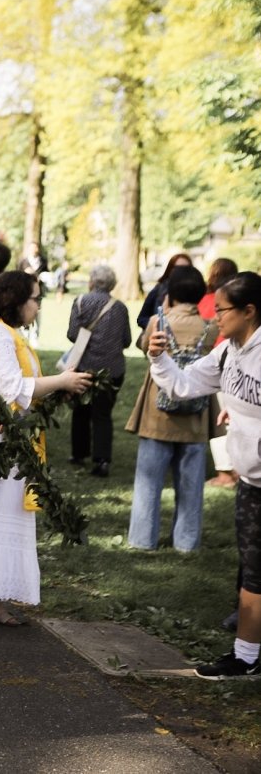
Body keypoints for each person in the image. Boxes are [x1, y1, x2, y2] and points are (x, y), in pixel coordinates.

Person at [147, 272, 261, 679]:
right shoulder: (229, 351)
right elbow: (183, 385)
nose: (215, 316)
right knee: (252, 569)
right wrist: (158, 357)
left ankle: (246, 656)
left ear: (249, 311)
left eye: (223, 310)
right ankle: (248, 654)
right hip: (251, 482)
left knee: (255, 572)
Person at [0, 272, 92, 625]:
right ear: (14, 299)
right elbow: (10, 387)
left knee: (3, 517)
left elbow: (27, 389)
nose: (38, 305)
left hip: (13, 440)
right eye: (34, 298)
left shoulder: (11, 335)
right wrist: (62, 380)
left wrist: (59, 387)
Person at [126, 266, 219, 551]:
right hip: (196, 412)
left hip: (158, 411)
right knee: (191, 482)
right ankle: (187, 541)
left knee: (148, 481)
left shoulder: (158, 322)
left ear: (170, 293)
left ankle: (143, 539)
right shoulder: (210, 326)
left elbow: (144, 347)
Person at [66, 264, 132, 477]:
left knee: (81, 412)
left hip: (84, 367)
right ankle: (102, 460)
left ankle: (79, 453)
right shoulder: (120, 307)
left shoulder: (81, 302)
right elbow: (126, 340)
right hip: (112, 369)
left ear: (92, 281)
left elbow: (72, 334)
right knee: (103, 415)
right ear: (112, 284)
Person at [200, 257, 240, 488]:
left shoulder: (207, 300)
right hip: (233, 361)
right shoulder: (240, 301)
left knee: (221, 419)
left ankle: (226, 473)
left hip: (221, 364)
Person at [137, 252, 193, 329]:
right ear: (170, 269)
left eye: (186, 269)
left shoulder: (195, 292)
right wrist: (158, 326)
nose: (181, 272)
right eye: (177, 268)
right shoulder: (159, 289)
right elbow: (142, 319)